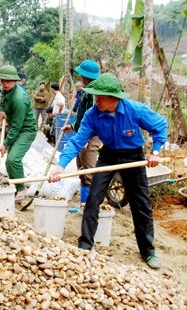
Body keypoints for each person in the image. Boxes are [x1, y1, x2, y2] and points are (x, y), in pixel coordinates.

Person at [48, 73, 168, 270]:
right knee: (93, 199)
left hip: (133, 157)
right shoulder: (92, 115)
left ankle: (148, 251)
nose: (97, 101)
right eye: (96, 96)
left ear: (115, 98)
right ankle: (85, 246)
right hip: (108, 156)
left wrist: (155, 152)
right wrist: (60, 166)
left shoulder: (134, 110)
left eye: (101, 97)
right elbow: (78, 141)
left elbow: (160, 125)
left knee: (141, 204)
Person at [61, 60, 102, 208]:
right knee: (82, 169)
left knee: (89, 170)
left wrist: (87, 138)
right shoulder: (86, 90)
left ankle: (92, 206)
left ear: (85, 75)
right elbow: (83, 115)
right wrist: (73, 126)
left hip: (91, 136)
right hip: (83, 133)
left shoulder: (93, 92)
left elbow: (93, 117)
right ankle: (84, 203)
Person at [0, 65, 37, 204]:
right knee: (8, 162)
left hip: (26, 130)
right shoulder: (6, 90)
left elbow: (17, 126)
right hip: (16, 127)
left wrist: (5, 143)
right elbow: (2, 101)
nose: (5, 83)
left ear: (15, 80)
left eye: (8, 80)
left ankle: (22, 188)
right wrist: (2, 111)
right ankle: (18, 186)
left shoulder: (19, 99)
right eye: (3, 80)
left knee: (13, 159)